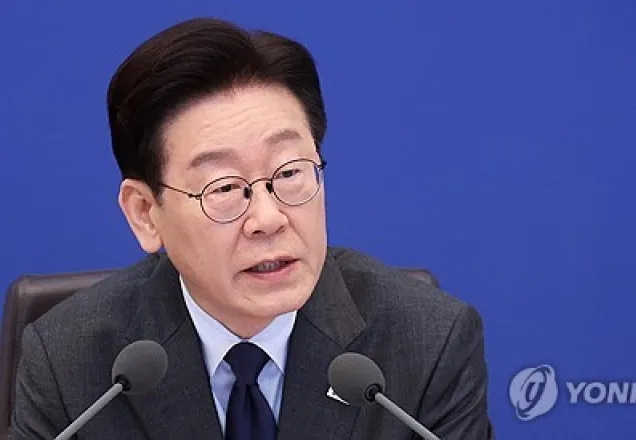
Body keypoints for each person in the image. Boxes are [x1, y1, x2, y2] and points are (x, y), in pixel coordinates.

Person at [8, 17, 494, 440]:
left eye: (289, 172)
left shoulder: (427, 346)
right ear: (145, 213)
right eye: (224, 187)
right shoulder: (71, 365)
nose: (267, 218)